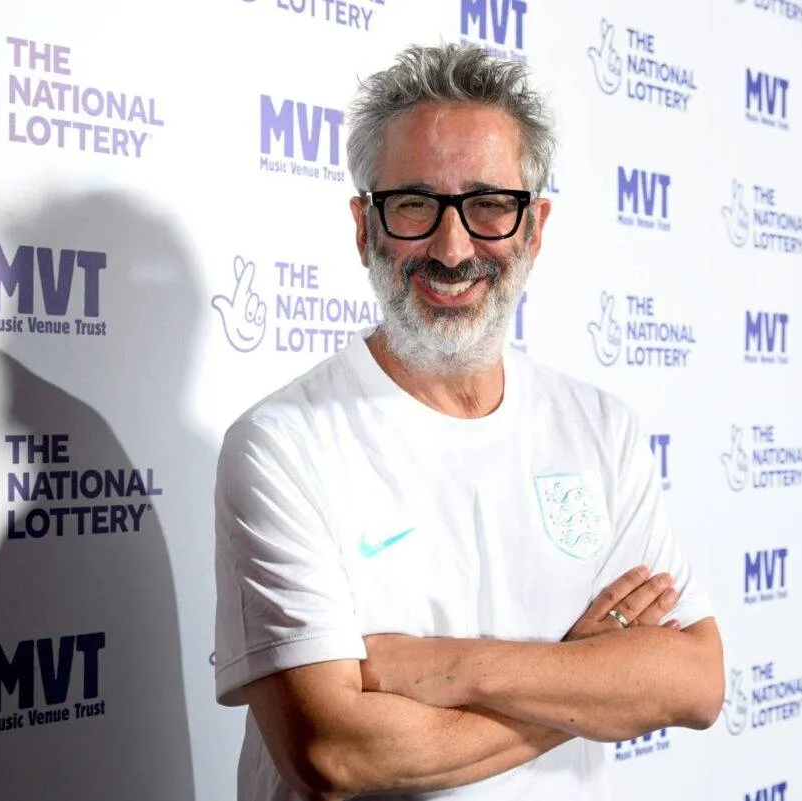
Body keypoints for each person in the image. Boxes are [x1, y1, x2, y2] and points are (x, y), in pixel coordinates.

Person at [213, 42, 723, 800]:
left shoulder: (601, 428)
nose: (453, 249)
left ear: (534, 227)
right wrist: (589, 677)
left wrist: (452, 665)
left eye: (489, 205)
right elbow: (334, 751)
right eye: (416, 204)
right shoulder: (283, 444)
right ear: (364, 227)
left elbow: (695, 679)